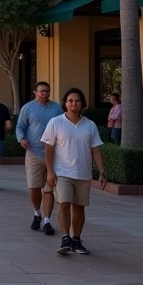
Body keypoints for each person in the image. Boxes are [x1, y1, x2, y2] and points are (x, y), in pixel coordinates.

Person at [42, 88, 107, 255]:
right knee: (63, 204)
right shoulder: (56, 122)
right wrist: (50, 171)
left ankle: (76, 239)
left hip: (83, 173)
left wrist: (102, 172)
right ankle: (65, 237)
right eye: (70, 100)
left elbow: (96, 150)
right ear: (65, 103)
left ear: (82, 104)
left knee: (79, 208)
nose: (73, 104)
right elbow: (48, 149)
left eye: (77, 101)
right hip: (62, 172)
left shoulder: (90, 125)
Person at [17, 81, 63, 235]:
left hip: (53, 154)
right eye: (41, 91)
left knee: (49, 189)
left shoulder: (57, 108)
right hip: (33, 152)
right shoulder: (28, 108)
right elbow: (20, 126)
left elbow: (62, 127)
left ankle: (47, 220)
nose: (44, 93)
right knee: (34, 188)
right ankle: (37, 213)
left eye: (47, 91)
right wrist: (21, 138)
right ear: (35, 92)